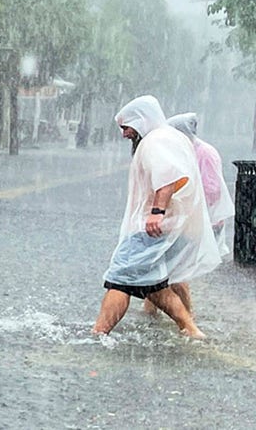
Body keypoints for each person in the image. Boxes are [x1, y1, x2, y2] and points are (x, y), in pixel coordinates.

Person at [92, 95, 220, 338]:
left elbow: (169, 177)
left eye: (126, 127)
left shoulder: (156, 141)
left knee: (119, 278)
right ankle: (190, 329)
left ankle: (99, 333)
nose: (124, 134)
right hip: (171, 225)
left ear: (141, 121)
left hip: (152, 227)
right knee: (153, 283)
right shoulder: (168, 137)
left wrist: (156, 213)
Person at [167, 113, 235, 258]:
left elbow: (211, 189)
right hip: (193, 220)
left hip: (205, 221)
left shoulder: (204, 153)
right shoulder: (188, 150)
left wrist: (188, 206)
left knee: (194, 264)